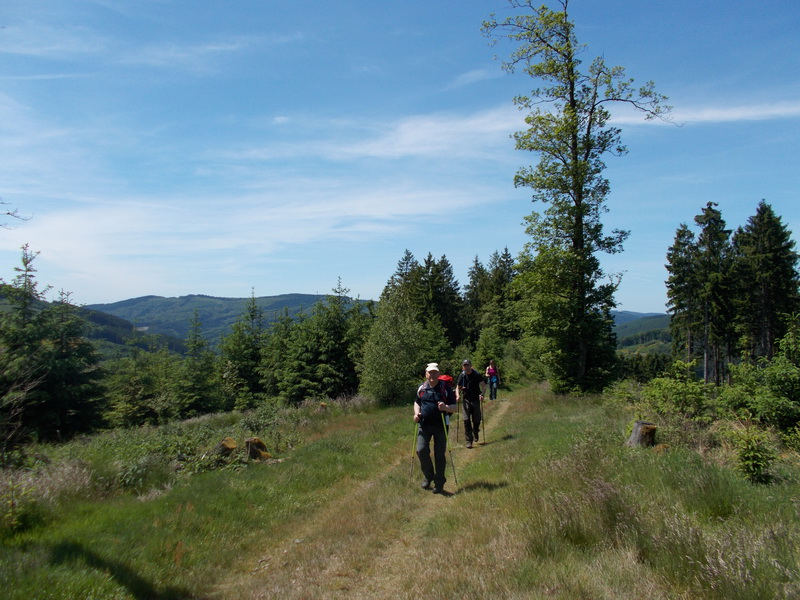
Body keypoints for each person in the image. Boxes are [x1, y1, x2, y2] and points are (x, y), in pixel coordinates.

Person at [414, 362, 457, 494]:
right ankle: (428, 476)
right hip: (424, 425)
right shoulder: (421, 388)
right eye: (430, 372)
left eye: (435, 372)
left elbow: (454, 407)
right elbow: (417, 402)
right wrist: (416, 413)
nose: (432, 374)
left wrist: (445, 408)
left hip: (441, 425)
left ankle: (439, 483)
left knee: (439, 454)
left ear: (438, 374)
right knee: (421, 450)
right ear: (426, 374)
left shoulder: (445, 388)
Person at [457, 359, 485, 448]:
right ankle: (469, 441)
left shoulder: (476, 374)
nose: (466, 367)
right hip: (466, 400)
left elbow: (484, 386)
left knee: (477, 419)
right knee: (466, 420)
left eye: (467, 365)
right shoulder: (462, 375)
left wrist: (482, 394)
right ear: (463, 367)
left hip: (476, 399)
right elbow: (458, 387)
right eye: (464, 365)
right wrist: (457, 395)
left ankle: (475, 430)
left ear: (470, 365)